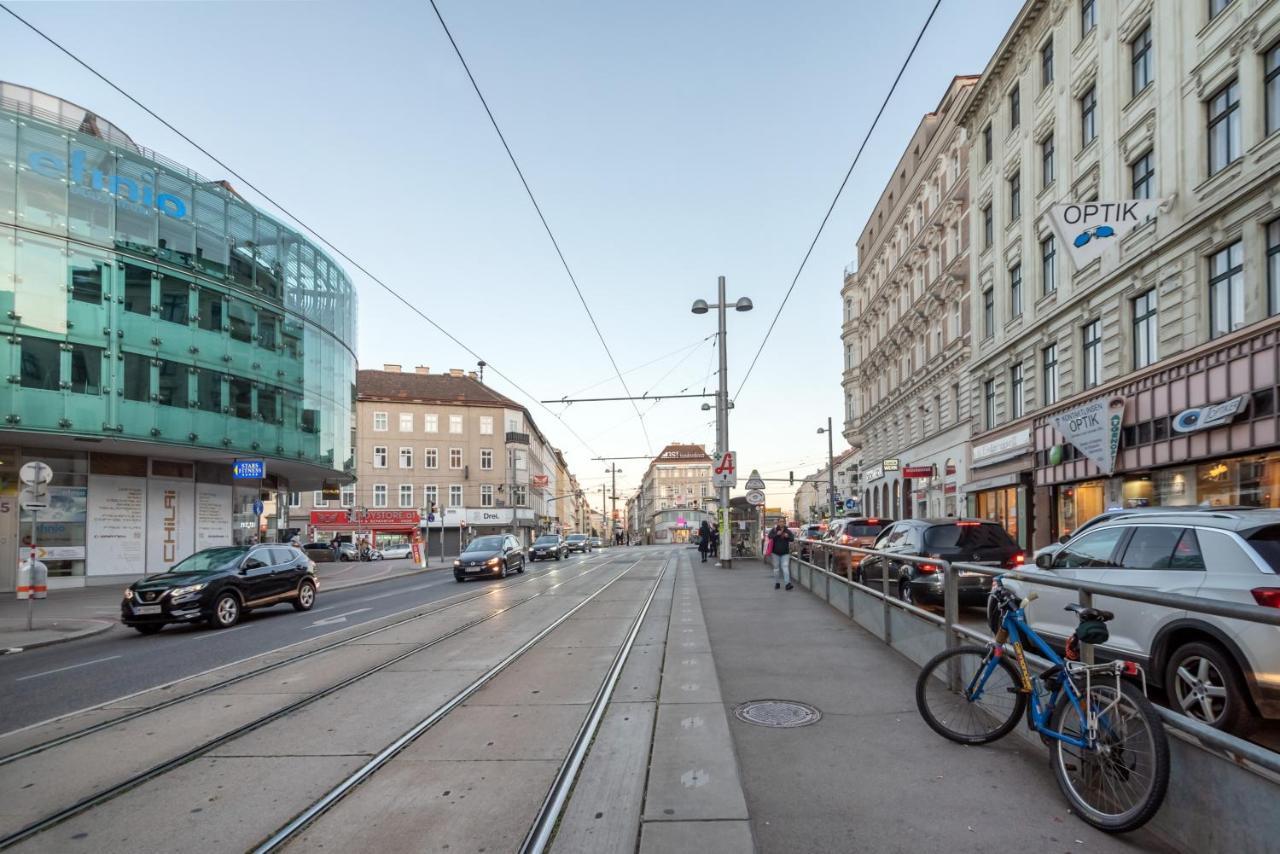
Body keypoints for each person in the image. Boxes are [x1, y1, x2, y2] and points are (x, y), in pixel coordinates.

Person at [768, 523, 794, 590]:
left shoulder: (787, 531)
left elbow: (792, 539)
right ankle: (777, 583)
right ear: (778, 523)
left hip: (785, 553)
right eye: (780, 521)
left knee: (785, 567)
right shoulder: (774, 530)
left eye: (783, 521)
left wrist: (787, 536)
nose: (781, 523)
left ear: (784, 523)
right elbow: (769, 536)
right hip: (775, 553)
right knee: (776, 569)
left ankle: (787, 584)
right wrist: (777, 534)